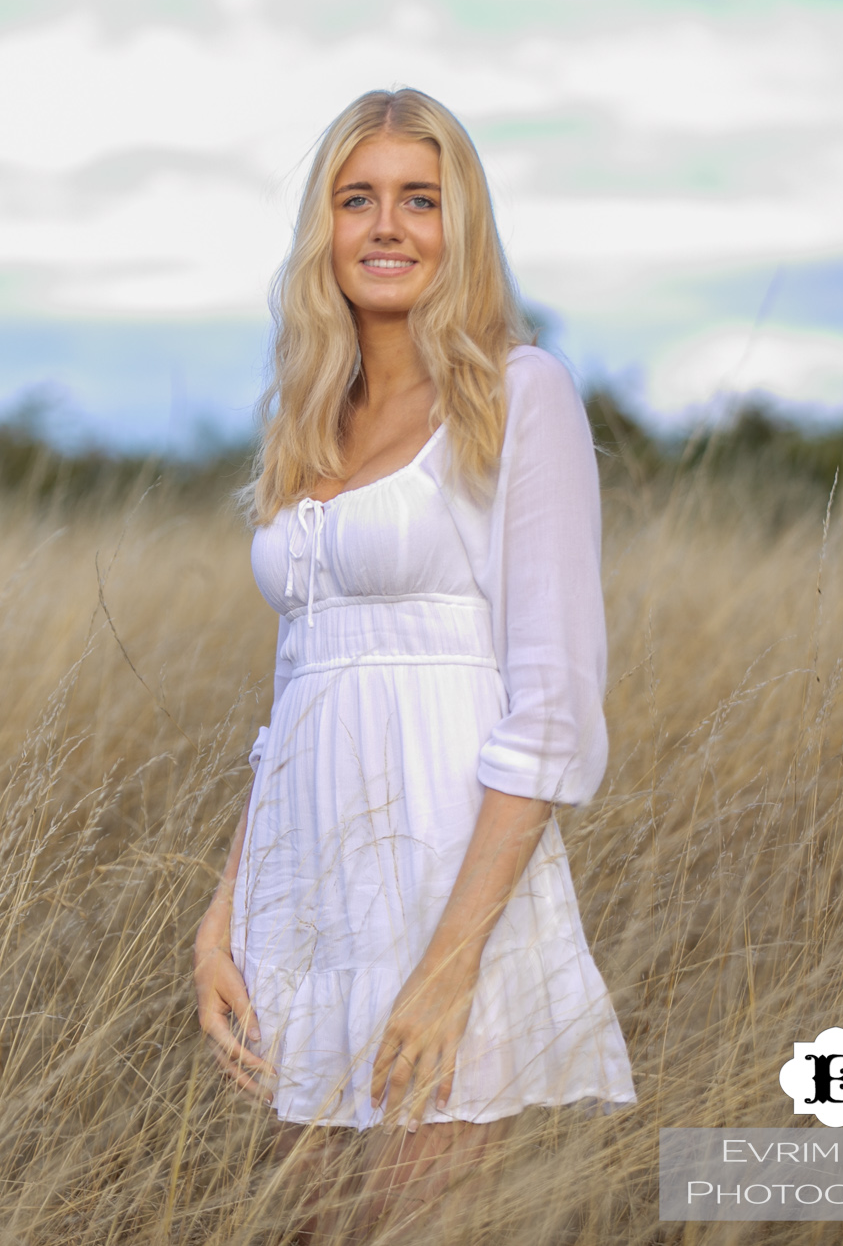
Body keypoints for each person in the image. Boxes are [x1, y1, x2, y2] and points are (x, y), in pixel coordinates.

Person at [190, 87, 636, 1241]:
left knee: (415, 1225)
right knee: (309, 1225)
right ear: (322, 231)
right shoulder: (308, 422)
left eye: (418, 200)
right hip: (302, 896)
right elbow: (292, 701)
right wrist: (222, 911)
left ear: (460, 225)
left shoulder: (512, 394)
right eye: (356, 200)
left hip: (446, 891)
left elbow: (550, 709)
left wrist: (448, 966)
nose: (385, 227)